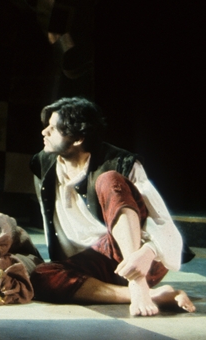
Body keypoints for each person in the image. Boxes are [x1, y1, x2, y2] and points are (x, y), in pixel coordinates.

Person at [30, 97, 194, 316]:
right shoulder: (42, 163)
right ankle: (151, 295)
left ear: (78, 138)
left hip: (139, 258)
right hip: (90, 262)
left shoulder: (121, 163)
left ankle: (137, 284)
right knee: (39, 276)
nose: (44, 132)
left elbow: (163, 223)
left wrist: (148, 252)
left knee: (109, 180)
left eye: (53, 128)